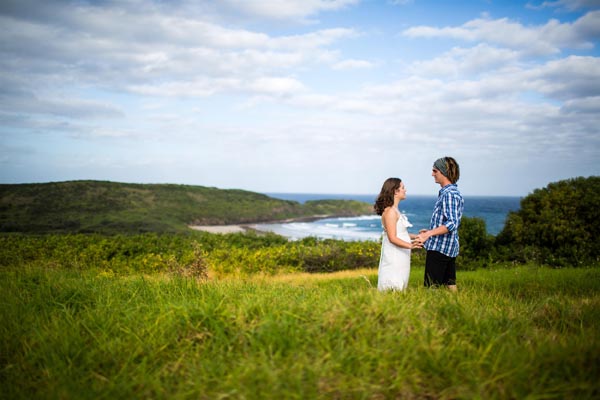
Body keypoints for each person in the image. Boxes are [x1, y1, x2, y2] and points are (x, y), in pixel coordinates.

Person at [415, 157, 464, 291]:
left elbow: (452, 223)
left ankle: (432, 312)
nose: (432, 174)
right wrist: (431, 230)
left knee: (431, 289)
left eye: (435, 170)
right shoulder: (450, 193)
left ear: (444, 171)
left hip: (440, 249)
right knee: (450, 285)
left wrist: (429, 234)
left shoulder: (449, 194)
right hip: (449, 248)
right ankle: (456, 310)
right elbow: (449, 221)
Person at [374, 178, 421, 291]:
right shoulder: (390, 211)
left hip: (401, 253)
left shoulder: (394, 210)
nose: (405, 190)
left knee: (400, 283)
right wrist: (411, 245)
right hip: (395, 254)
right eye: (403, 188)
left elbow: (400, 233)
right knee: (393, 284)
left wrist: (416, 236)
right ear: (395, 191)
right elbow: (392, 238)